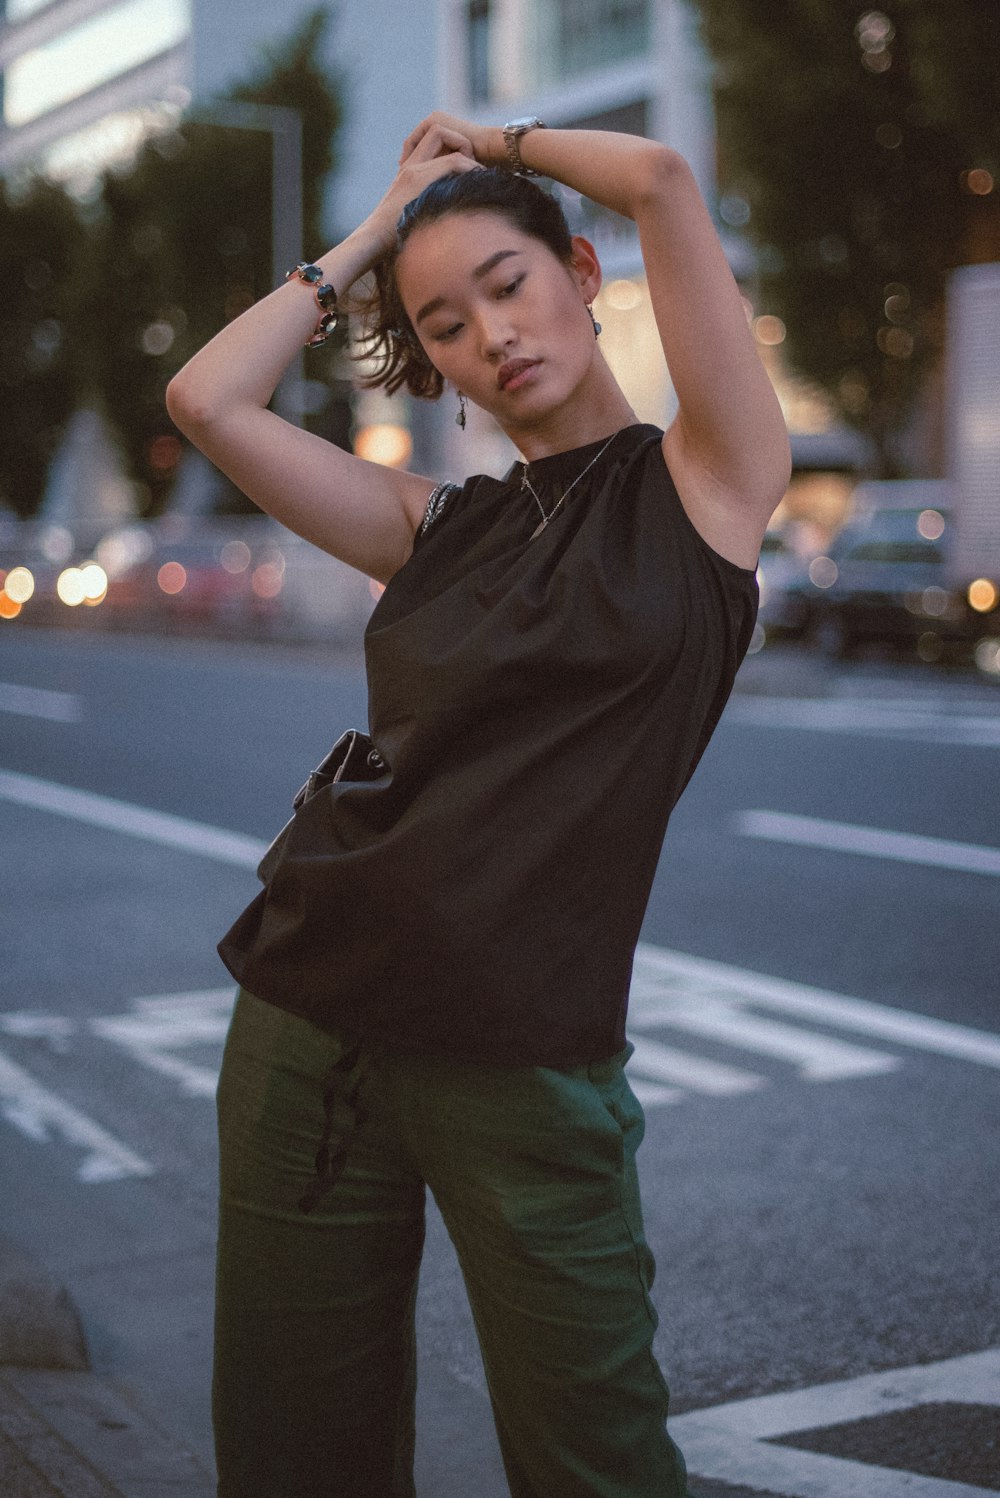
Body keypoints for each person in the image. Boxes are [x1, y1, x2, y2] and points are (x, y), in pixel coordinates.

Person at [167, 112, 790, 1498]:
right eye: (444, 322)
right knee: (290, 1458)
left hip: (524, 1057)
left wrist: (491, 141)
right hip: (306, 1022)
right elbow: (209, 404)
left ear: (581, 271)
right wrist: (373, 239)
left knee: (597, 1460)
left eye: (508, 284)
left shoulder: (706, 491)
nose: (489, 334)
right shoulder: (437, 525)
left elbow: (666, 179)